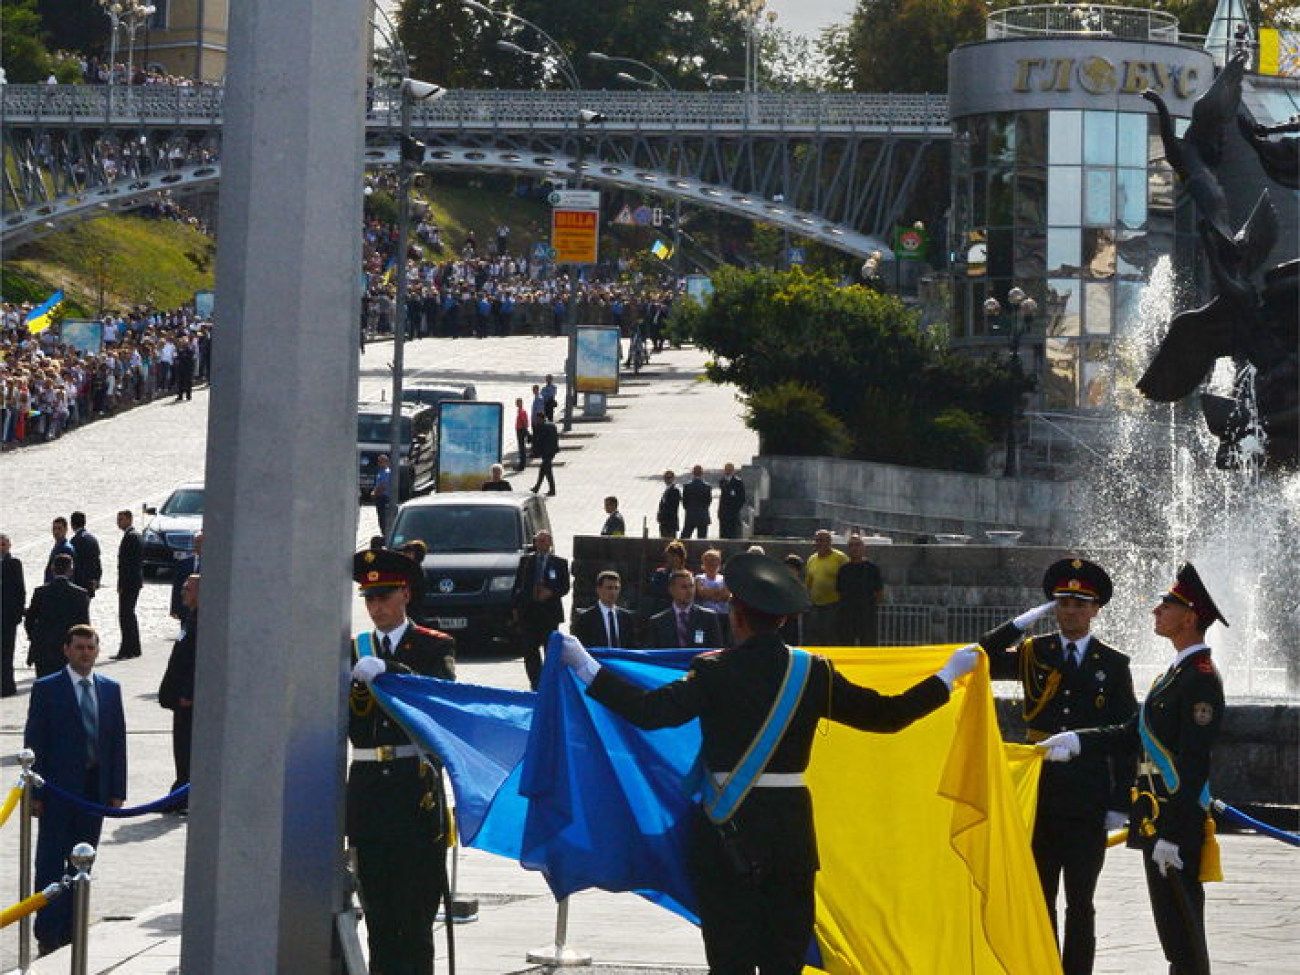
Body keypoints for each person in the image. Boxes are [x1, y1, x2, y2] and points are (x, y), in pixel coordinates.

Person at [558, 552, 979, 975]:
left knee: (730, 960)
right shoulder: (813, 671)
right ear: (782, 621)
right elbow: (888, 716)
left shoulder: (713, 670)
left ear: (736, 615)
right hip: (789, 833)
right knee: (784, 960)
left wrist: (584, 666)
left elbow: (651, 712)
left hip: (725, 828)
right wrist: (946, 675)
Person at [1040, 563, 1226, 975]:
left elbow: (1195, 764)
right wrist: (1078, 741)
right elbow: (1131, 732)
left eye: (1166, 605)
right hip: (1156, 822)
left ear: (1189, 617)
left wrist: (1175, 836)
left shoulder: (1200, 679)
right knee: (1173, 935)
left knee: (1185, 936)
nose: (1155, 611)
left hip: (1174, 825)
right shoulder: (1175, 674)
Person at [981, 558, 1137, 975]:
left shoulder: (1113, 663)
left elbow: (1128, 734)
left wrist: (1121, 798)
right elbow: (981, 655)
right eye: (1062, 603)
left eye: (1079, 604)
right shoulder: (1035, 652)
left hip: (1088, 795)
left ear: (1095, 610)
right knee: (1040, 895)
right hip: (1041, 793)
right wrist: (1020, 625)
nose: (1070, 611)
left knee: (1081, 901)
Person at [347, 549, 457, 975]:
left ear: (405, 594)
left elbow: (440, 697)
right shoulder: (354, 649)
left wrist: (392, 670)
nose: (377, 607)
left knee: (414, 921)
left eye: (385, 596)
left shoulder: (433, 645)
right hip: (370, 795)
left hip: (414, 796)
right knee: (379, 918)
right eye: (370, 599)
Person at [25, 624, 128, 954]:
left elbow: (116, 743)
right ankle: (48, 932)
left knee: (83, 863)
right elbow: (36, 741)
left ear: (98, 650)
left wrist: (117, 790)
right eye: (79, 647)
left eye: (90, 647)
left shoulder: (110, 689)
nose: (85, 653)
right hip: (56, 792)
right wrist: (36, 795)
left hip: (94, 792)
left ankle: (72, 928)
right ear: (66, 651)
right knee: (51, 862)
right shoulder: (47, 688)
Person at [159, 574, 199, 807]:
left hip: (187, 700)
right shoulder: (190, 617)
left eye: (188, 589)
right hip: (179, 697)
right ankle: (180, 790)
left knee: (187, 749)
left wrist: (189, 694)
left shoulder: (203, 621)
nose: (182, 592)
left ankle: (184, 794)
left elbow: (199, 661)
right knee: (180, 749)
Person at [511, 530, 570, 689]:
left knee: (550, 650)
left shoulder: (559, 563)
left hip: (549, 614)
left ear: (550, 543)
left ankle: (550, 682)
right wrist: (515, 607)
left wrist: (550, 592)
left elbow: (565, 587)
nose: (542, 544)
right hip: (529, 613)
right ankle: (536, 683)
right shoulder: (526, 561)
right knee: (530, 651)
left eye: (545, 541)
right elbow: (518, 585)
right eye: (539, 541)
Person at [24, 553, 91, 678]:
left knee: (45, 687)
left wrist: (34, 637)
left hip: (45, 649)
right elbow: (84, 626)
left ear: (52, 569)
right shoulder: (80, 594)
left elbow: (30, 619)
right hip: (70, 649)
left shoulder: (41, 592)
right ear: (70, 571)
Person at [645, 569, 724, 649]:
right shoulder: (658, 621)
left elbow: (716, 650)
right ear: (671, 590)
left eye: (691, 586)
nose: (690, 591)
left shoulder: (708, 617)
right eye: (684, 587)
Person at [836, 534, 885, 647]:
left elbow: (879, 592)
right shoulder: (843, 570)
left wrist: (871, 606)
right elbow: (839, 592)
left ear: (863, 548)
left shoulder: (872, 569)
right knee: (846, 645)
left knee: (868, 645)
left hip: (866, 615)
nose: (854, 548)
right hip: (847, 616)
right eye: (851, 545)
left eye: (857, 545)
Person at [803, 530, 847, 646]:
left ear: (829, 542)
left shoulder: (840, 558)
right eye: (817, 540)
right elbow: (808, 582)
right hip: (815, 606)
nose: (819, 543)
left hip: (834, 605)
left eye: (822, 540)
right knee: (814, 637)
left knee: (831, 637)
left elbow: (849, 579)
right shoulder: (811, 559)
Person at [572, 570, 637, 649]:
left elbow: (632, 647)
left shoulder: (626, 618)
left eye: (616, 588)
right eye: (609, 588)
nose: (613, 592)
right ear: (598, 590)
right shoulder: (586, 618)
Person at [113, 509, 144, 659]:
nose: (119, 522)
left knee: (125, 616)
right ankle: (134, 647)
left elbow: (127, 565)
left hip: (129, 583)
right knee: (130, 615)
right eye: (118, 519)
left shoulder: (131, 537)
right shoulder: (135, 536)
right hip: (134, 582)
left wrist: (122, 584)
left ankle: (126, 649)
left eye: (121, 519)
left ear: (130, 520)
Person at [1, 533, 25, 696]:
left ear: (9, 546)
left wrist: (17, 613)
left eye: (3, 544)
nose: (1, 547)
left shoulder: (14, 563)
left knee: (7, 652)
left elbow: (20, 590)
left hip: (8, 616)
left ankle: (7, 685)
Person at [169, 531, 203, 631]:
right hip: (186, 608)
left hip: (200, 608)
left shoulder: (211, 564)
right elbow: (177, 586)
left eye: (200, 543)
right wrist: (174, 608)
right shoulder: (184, 563)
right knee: (184, 634)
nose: (197, 546)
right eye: (196, 543)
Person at [68, 511, 103, 600]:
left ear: (72, 524)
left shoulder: (75, 540)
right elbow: (97, 561)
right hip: (90, 584)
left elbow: (74, 564)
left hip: (79, 585)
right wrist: (97, 579)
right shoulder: (93, 539)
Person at [529, 412, 559, 496]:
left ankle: (552, 490)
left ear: (541, 418)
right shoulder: (552, 425)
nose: (537, 420)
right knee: (543, 470)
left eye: (537, 419)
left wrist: (535, 452)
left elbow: (539, 440)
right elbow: (556, 438)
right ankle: (537, 487)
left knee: (548, 471)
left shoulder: (542, 427)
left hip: (546, 452)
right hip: (552, 451)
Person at [681, 465, 712, 540]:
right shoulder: (707, 487)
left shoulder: (687, 486)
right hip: (703, 516)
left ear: (693, 473)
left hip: (690, 516)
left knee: (684, 538)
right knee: (702, 540)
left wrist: (689, 508)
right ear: (702, 473)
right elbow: (708, 501)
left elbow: (684, 502)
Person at [717, 463, 746, 539]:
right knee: (723, 535)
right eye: (726, 469)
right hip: (723, 513)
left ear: (733, 471)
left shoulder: (738, 482)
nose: (728, 471)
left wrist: (736, 509)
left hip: (733, 514)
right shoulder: (722, 481)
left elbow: (742, 498)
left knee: (734, 535)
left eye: (730, 470)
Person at [44, 516, 75, 583]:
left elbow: (68, 573)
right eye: (54, 529)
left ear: (66, 529)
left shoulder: (66, 548)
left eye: (59, 529)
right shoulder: (58, 545)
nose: (56, 532)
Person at [656, 470, 682, 539]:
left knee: (671, 541)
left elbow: (673, 507)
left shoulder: (675, 490)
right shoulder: (667, 490)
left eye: (669, 477)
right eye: (666, 478)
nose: (667, 480)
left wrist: (663, 516)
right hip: (664, 523)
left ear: (673, 478)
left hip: (670, 523)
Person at [372, 454, 393, 536]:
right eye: (379, 461)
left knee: (383, 518)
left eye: (381, 461)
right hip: (380, 497)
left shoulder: (386, 472)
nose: (379, 463)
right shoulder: (381, 471)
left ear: (386, 462)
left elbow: (383, 485)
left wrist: (375, 493)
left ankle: (385, 534)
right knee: (380, 517)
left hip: (383, 497)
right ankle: (383, 533)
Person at [513, 397, 531, 471]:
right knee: (521, 448)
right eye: (516, 402)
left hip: (521, 430)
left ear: (521, 403)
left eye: (518, 402)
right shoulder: (519, 411)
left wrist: (525, 431)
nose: (516, 404)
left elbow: (524, 422)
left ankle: (521, 466)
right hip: (520, 430)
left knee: (522, 448)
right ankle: (521, 464)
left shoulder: (522, 411)